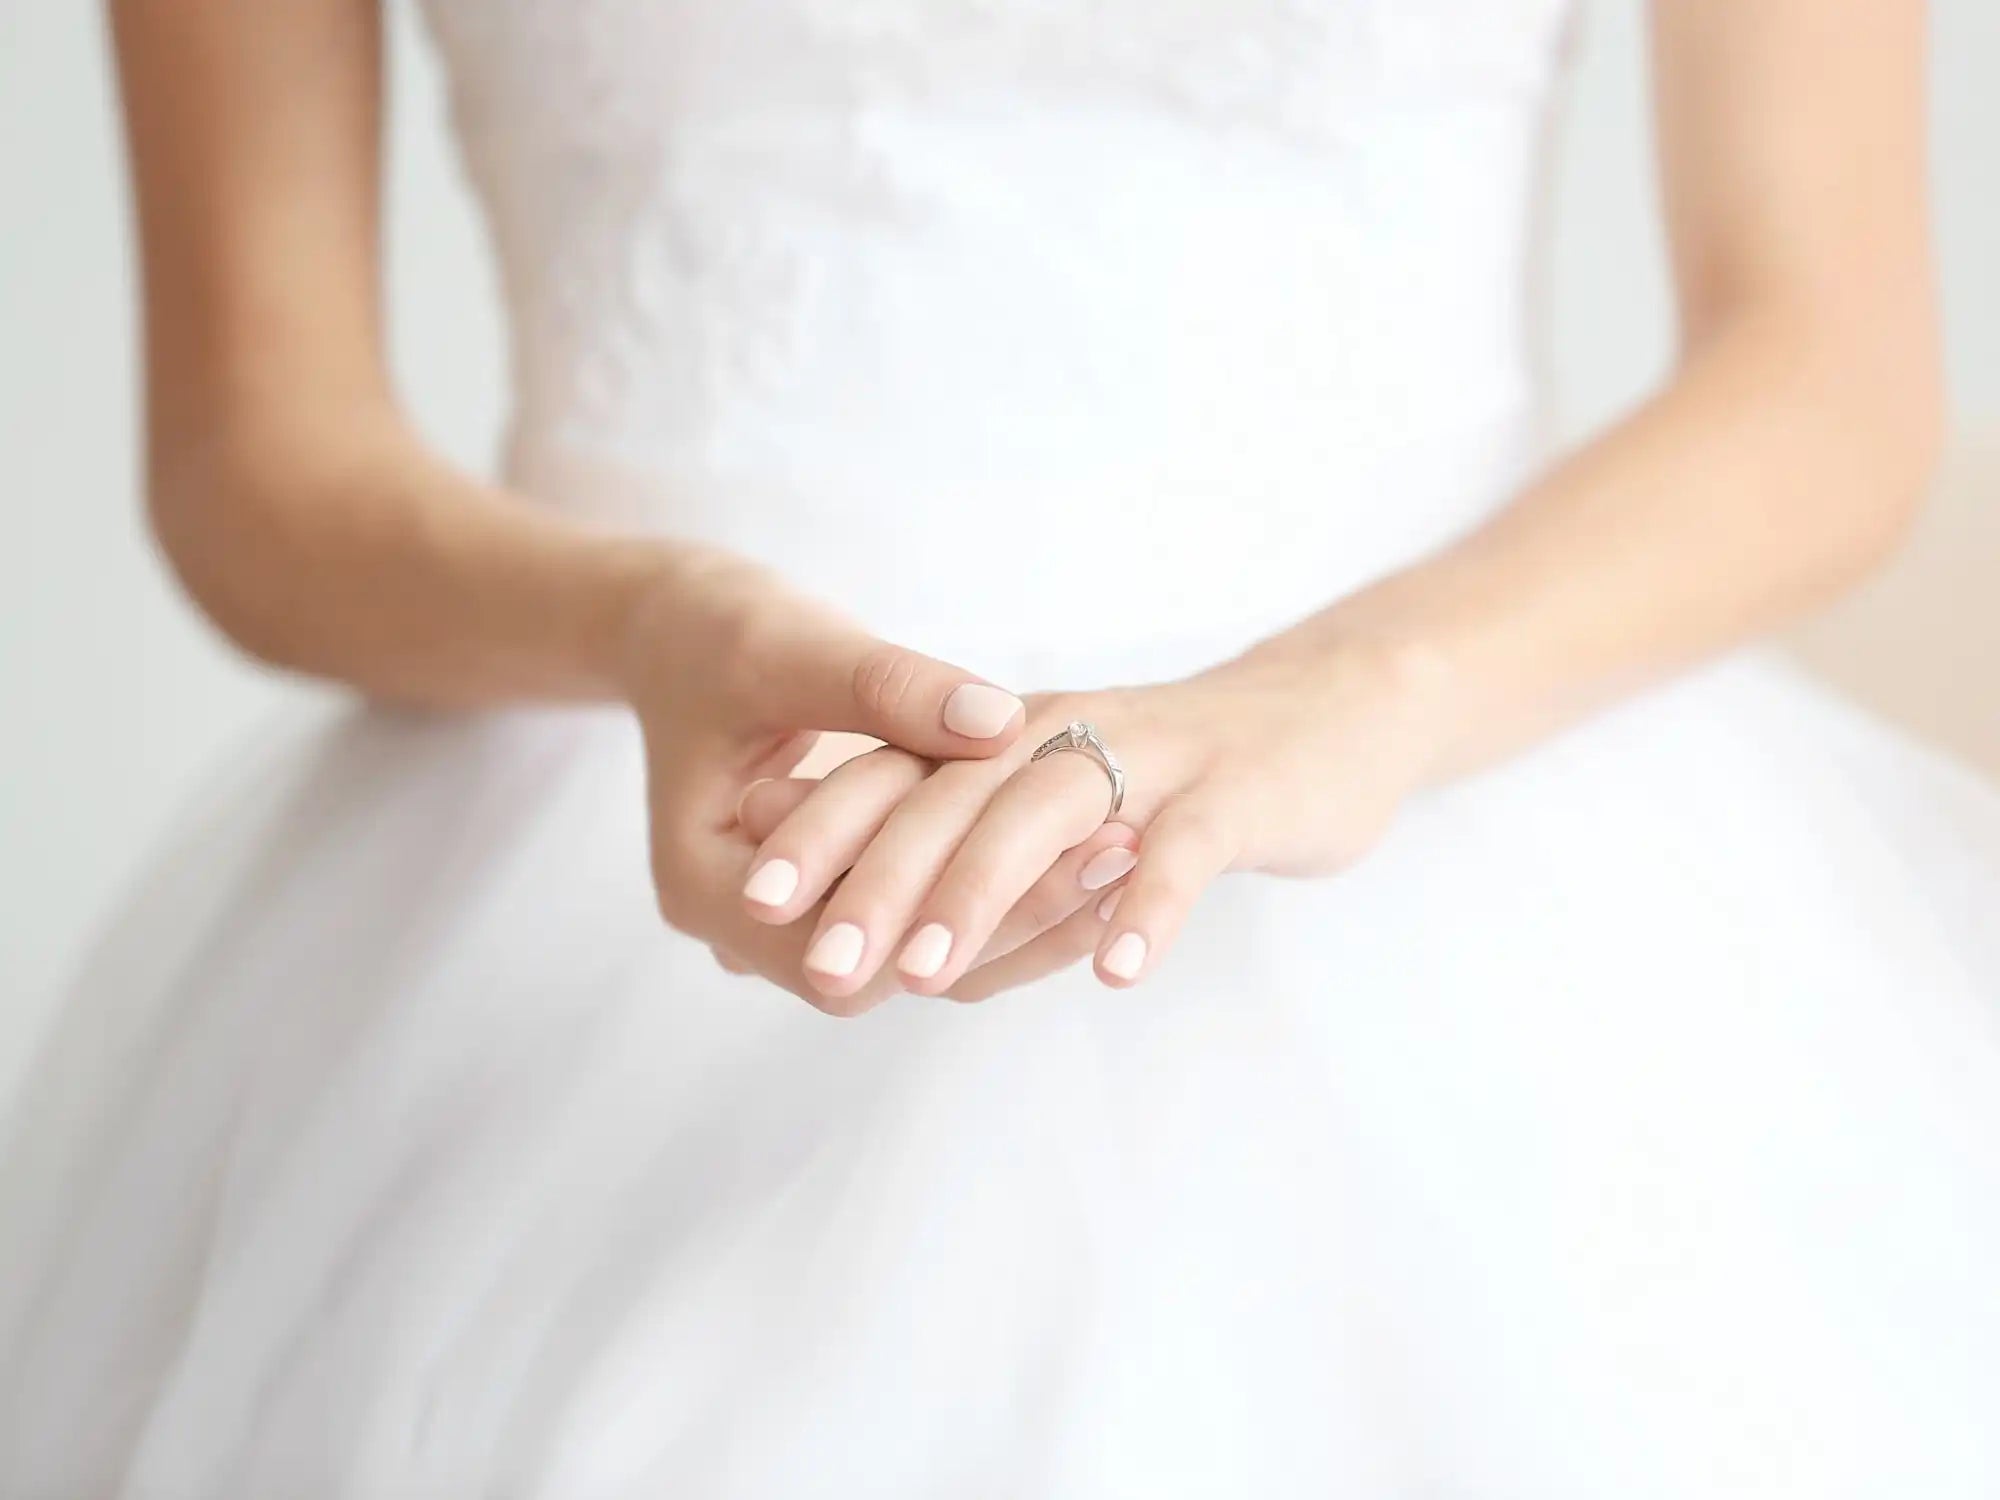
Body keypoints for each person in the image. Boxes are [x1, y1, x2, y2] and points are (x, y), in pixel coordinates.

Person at [4, 1, 1997, 1493]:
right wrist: (640, 622)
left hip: (1483, 811)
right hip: (615, 846)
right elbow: (258, 460)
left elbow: (1822, 364)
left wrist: (1347, 696)